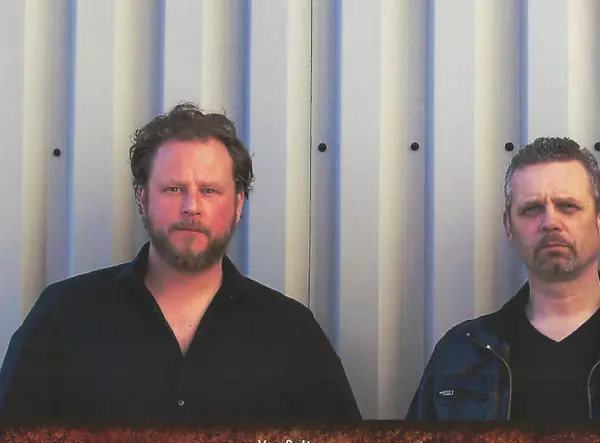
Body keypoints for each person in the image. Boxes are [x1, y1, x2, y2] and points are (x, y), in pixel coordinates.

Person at [0, 102, 361, 424]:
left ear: (237, 204)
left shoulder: (291, 333)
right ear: (142, 197)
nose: (191, 207)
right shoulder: (62, 316)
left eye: (209, 190)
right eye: (173, 189)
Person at [408, 137, 600, 420]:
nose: (550, 222)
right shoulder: (461, 354)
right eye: (532, 208)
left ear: (598, 219)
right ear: (509, 226)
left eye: (568, 206)